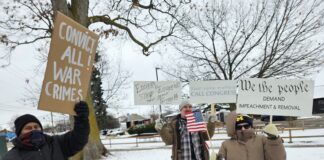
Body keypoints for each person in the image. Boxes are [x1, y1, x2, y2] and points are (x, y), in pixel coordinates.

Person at [2, 101, 90, 160]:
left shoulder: (56, 143)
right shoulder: (11, 157)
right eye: (28, 128)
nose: (33, 130)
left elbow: (79, 139)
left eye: (36, 127)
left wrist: (81, 119)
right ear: (19, 133)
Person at [216, 111, 286, 160]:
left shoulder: (262, 140)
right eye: (239, 127)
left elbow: (277, 158)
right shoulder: (226, 145)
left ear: (251, 126)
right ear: (234, 129)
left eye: (246, 126)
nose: (243, 129)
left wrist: (274, 140)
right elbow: (221, 158)